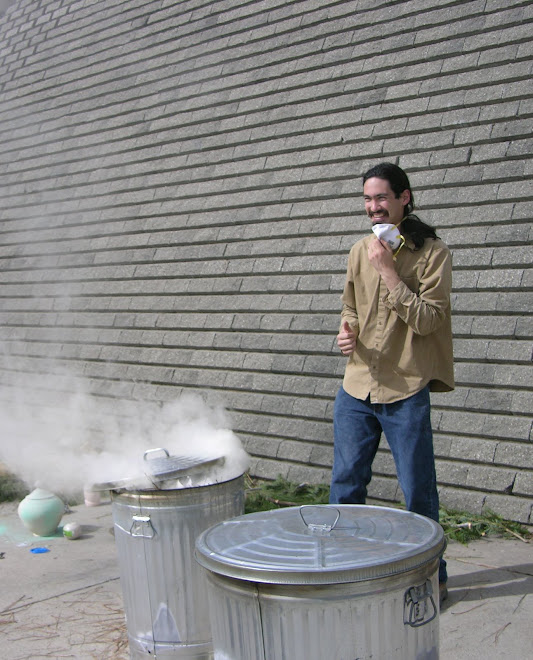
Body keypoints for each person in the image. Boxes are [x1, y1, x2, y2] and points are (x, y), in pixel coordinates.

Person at [329, 162, 454, 604]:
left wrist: (388, 272)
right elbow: (350, 306)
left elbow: (430, 319)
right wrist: (346, 331)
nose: (373, 207)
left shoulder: (433, 252)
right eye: (367, 199)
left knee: (418, 488)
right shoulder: (358, 249)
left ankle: (430, 579)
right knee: (345, 484)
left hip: (406, 388)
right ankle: (344, 573)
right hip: (357, 385)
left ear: (404, 197)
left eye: (381, 198)